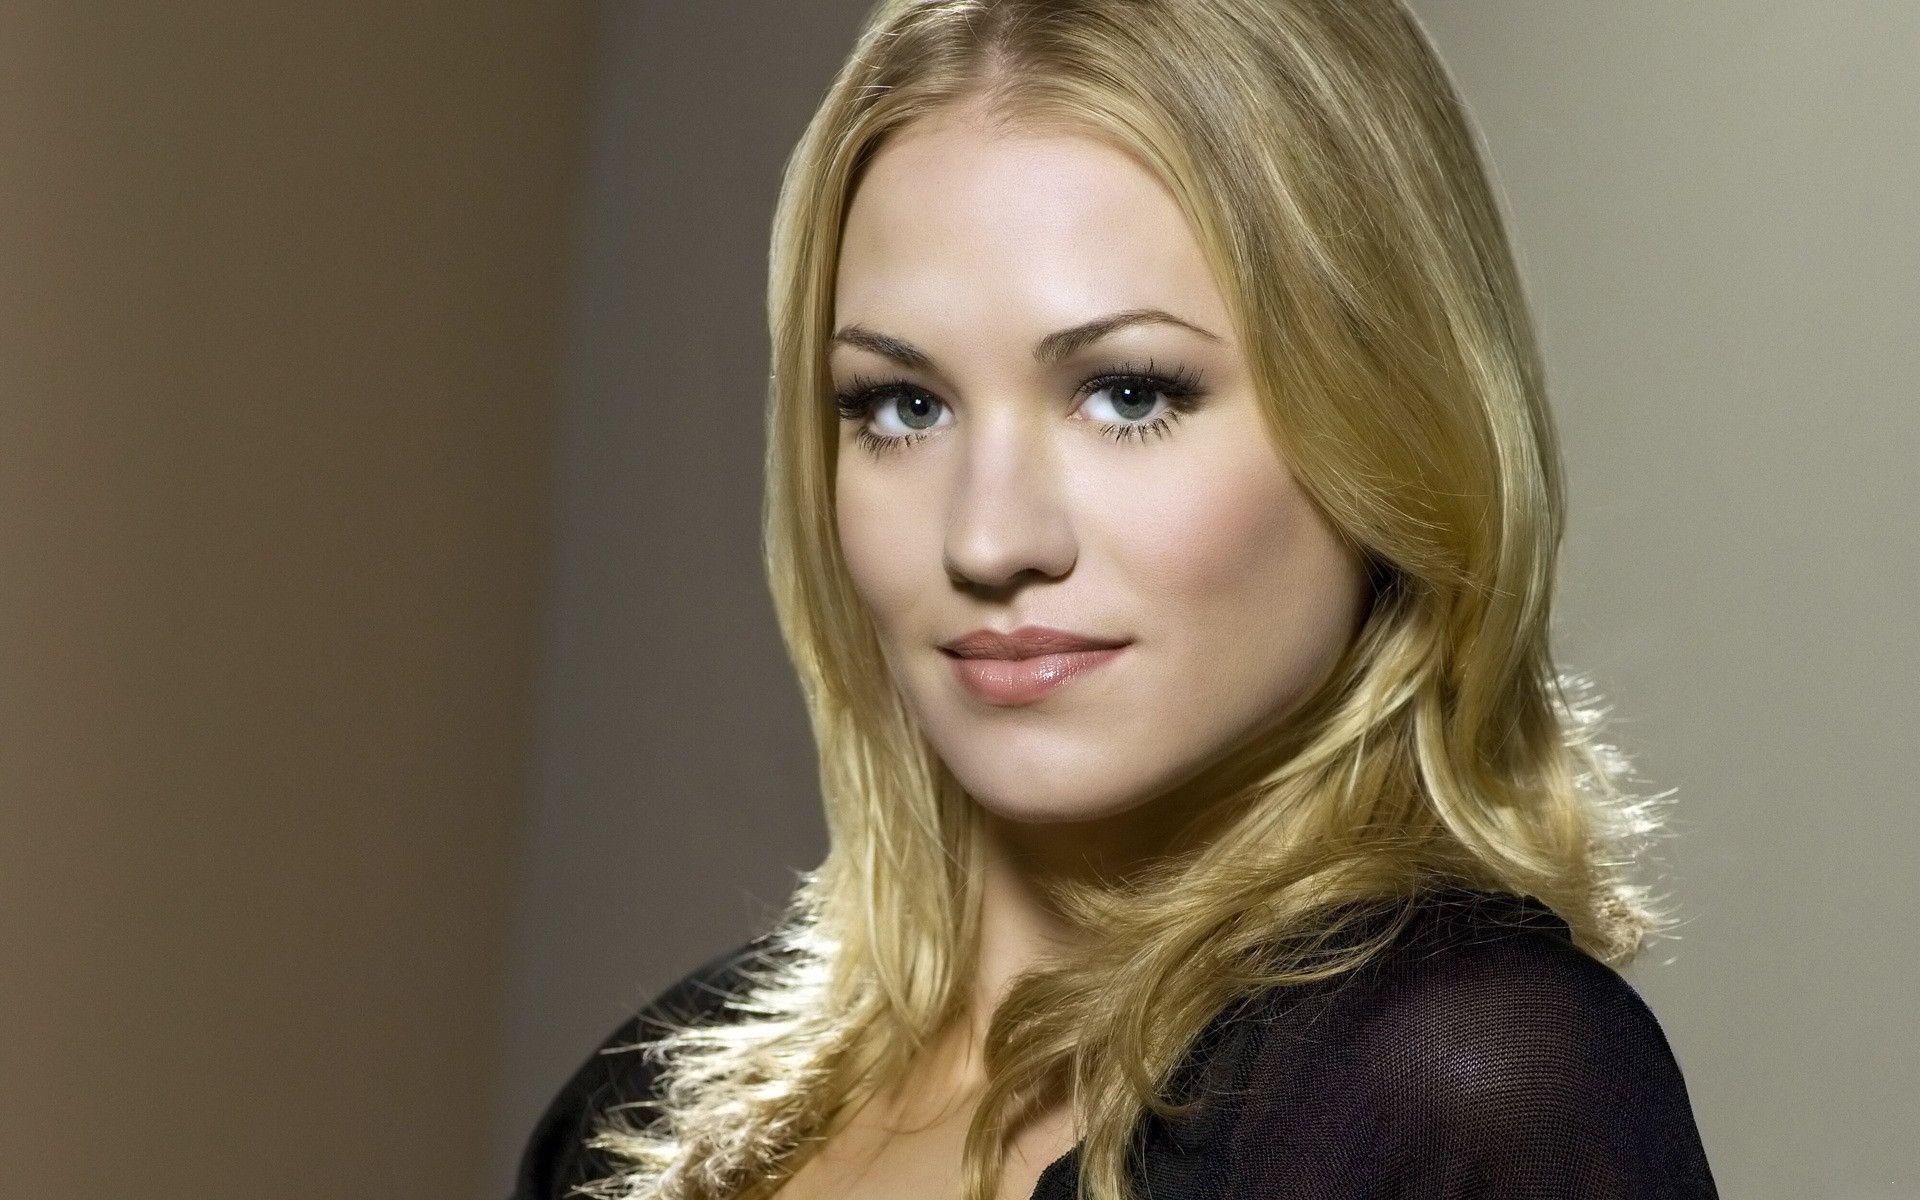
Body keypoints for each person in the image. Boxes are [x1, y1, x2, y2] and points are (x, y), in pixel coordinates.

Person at [510, 1, 1720, 1198]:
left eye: (1129, 394)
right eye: (903, 406)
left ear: (1390, 418)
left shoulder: (1460, 1089)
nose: (988, 539)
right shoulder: (646, 1106)